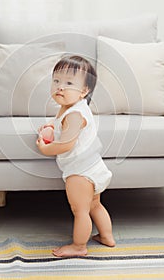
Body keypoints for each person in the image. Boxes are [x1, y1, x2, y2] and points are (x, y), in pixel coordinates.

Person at [36, 55, 115, 257]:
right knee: (95, 204)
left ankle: (79, 246)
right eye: (56, 81)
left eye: (69, 83)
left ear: (84, 91)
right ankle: (106, 236)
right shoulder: (70, 108)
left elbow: (66, 143)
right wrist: (50, 127)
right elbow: (60, 126)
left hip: (80, 172)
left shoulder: (74, 114)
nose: (60, 87)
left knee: (80, 210)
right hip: (93, 166)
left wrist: (45, 149)